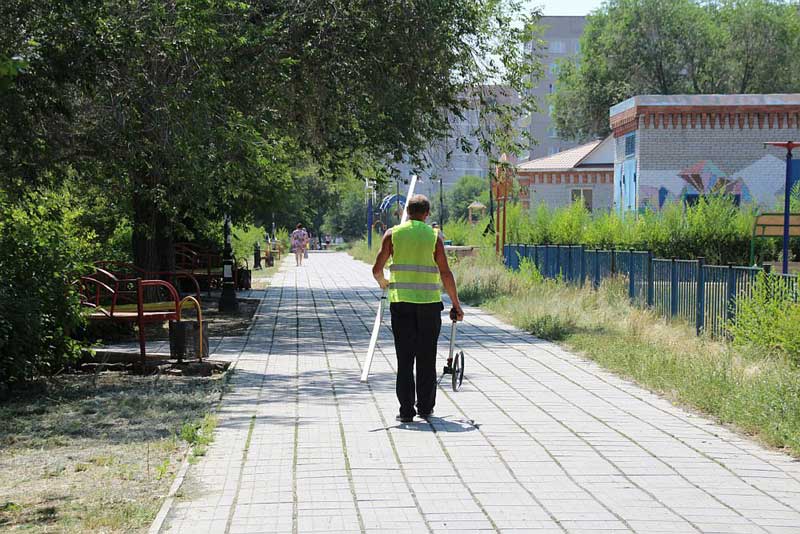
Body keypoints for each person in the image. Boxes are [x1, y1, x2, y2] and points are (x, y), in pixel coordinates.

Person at [372, 194, 464, 423]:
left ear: (407, 212)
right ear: (426, 214)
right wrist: (456, 304)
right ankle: (425, 407)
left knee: (405, 359)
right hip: (429, 307)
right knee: (426, 357)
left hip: (401, 304)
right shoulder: (434, 237)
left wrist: (385, 285)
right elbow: (445, 273)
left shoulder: (392, 235)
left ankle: (405, 411)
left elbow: (376, 269)